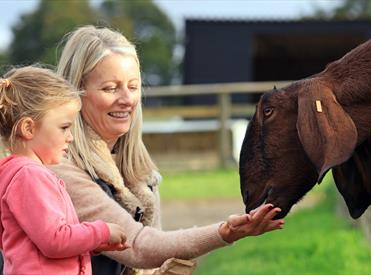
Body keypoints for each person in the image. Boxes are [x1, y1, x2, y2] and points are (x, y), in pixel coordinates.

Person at [50, 25, 285, 275]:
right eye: (110, 88)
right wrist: (224, 232)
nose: (127, 99)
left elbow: (146, 255)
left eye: (133, 86)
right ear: (76, 94)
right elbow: (137, 245)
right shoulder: (60, 169)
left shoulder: (139, 172)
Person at [0, 66, 131, 275]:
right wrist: (101, 232)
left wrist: (90, 244)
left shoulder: (13, 176)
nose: (70, 137)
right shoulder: (30, 176)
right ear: (29, 128)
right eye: (64, 127)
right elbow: (55, 240)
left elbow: (33, 241)